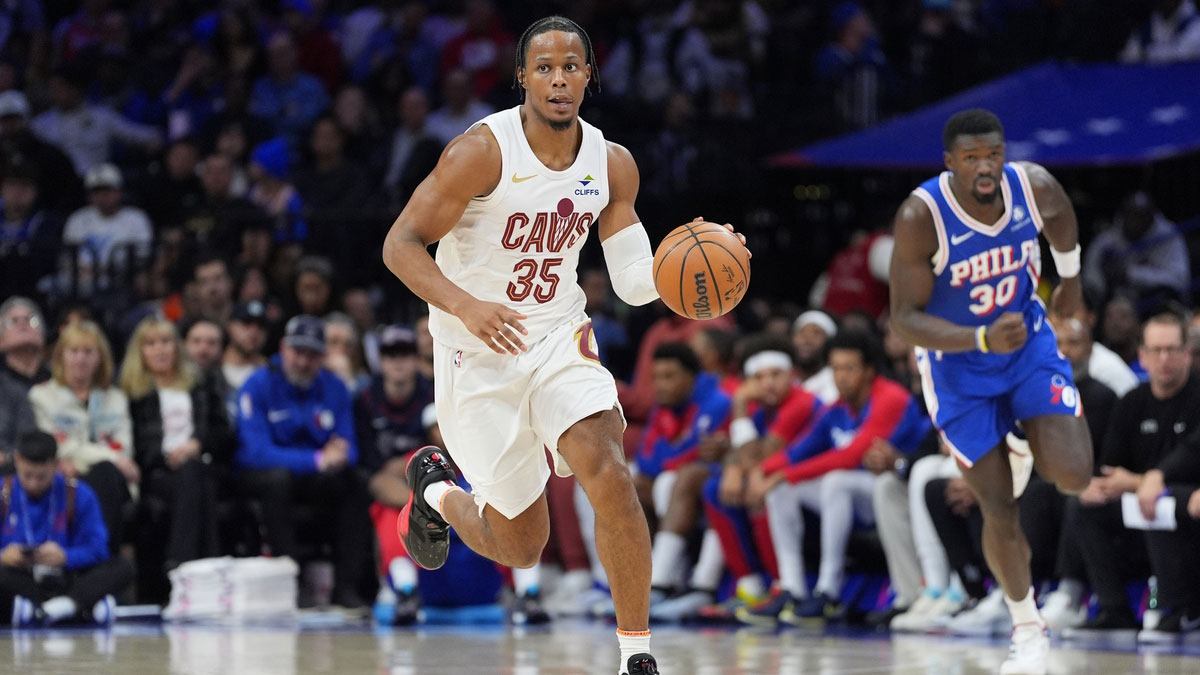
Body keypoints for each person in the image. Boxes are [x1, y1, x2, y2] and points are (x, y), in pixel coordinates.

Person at [381, 17, 746, 675]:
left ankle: (637, 654)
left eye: (571, 66)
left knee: (606, 463)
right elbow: (399, 244)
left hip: (556, 335)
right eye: (544, 67)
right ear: (523, 76)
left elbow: (634, 283)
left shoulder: (611, 164)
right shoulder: (480, 152)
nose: (558, 78)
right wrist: (466, 303)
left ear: (587, 75)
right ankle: (434, 489)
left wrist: (684, 272)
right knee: (522, 546)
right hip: (477, 350)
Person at [889, 109, 1094, 675]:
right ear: (951, 162)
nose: (987, 167)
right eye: (973, 158)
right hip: (957, 370)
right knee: (997, 507)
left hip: (1026, 345)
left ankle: (1025, 440)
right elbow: (904, 319)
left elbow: (1062, 219)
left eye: (994, 154)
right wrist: (977, 336)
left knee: (1075, 475)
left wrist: (1071, 283)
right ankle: (1027, 629)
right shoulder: (920, 216)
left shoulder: (1034, 185)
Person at [234, 315, 372, 609]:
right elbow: (255, 453)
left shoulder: (334, 387)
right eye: (297, 352)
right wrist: (317, 458)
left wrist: (335, 457)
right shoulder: (257, 384)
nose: (303, 362)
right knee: (277, 480)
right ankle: (290, 585)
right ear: (283, 348)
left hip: (314, 476)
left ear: (323, 356)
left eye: (312, 355)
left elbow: (350, 450)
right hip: (265, 475)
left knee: (356, 482)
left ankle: (346, 587)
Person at [120, 318, 232, 588]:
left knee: (197, 474)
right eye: (151, 344)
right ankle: (201, 572)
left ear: (177, 348)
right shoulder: (134, 393)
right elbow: (136, 445)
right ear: (140, 352)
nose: (160, 350)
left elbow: (225, 434)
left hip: (202, 466)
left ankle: (181, 567)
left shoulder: (200, 384)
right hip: (159, 473)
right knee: (195, 476)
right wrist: (169, 456)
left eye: (166, 342)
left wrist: (198, 445)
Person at [0, 431, 133, 627]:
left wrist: (66, 557)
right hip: (21, 579)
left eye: (42, 477)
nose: (34, 483)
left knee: (123, 566)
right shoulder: (3, 493)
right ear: (18, 460)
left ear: (55, 464)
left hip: (67, 578)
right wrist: (3, 556)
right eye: (27, 475)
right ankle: (80, 607)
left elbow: (99, 549)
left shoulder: (79, 493)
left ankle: (56, 607)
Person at [29, 321, 137, 556]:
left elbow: (125, 447)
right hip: (63, 476)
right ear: (61, 356)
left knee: (105, 473)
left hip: (114, 479)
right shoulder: (41, 396)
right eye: (74, 351)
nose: (81, 359)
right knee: (105, 469)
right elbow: (56, 445)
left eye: (88, 352)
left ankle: (103, 562)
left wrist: (86, 459)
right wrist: (110, 457)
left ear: (100, 357)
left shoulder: (116, 398)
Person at [0, 296, 51, 389]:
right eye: (13, 321)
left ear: (43, 336)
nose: (22, 324)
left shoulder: (60, 380)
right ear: (1, 340)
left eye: (31, 320)